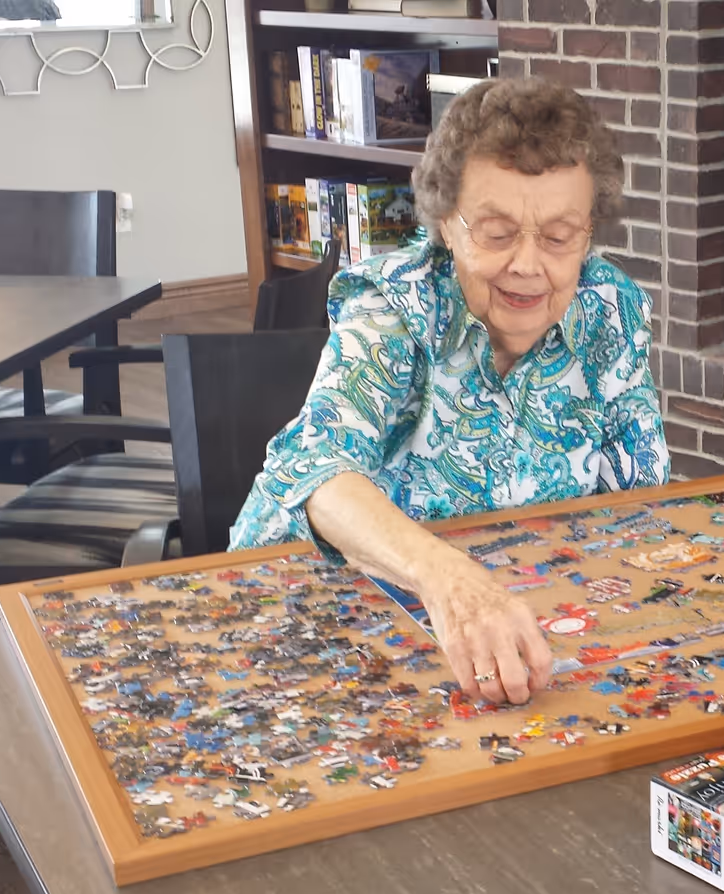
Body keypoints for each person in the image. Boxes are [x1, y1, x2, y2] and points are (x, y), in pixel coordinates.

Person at [231, 77, 669, 708]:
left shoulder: (612, 311)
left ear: (589, 231)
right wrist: (452, 583)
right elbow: (320, 473)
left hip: (496, 628)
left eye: (558, 235)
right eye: (496, 231)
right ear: (445, 222)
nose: (527, 263)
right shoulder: (393, 305)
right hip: (304, 613)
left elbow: (637, 508)